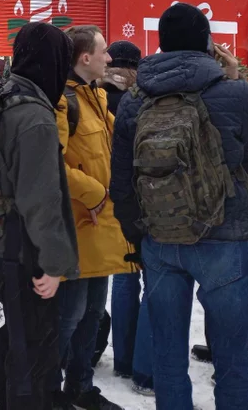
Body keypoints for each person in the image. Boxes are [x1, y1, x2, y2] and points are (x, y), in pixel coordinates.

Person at [111, 3, 248, 410]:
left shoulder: (135, 100)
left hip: (160, 237)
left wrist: (137, 232)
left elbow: (121, 180)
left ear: (161, 44)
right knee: (233, 359)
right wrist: (237, 83)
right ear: (207, 42)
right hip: (224, 235)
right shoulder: (234, 92)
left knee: (168, 357)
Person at [0, 22, 80, 410]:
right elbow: (40, 200)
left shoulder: (3, 96)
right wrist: (53, 265)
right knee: (30, 347)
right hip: (24, 251)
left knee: (17, 338)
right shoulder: (34, 116)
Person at [53, 26, 134, 410]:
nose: (109, 58)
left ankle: (80, 388)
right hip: (74, 227)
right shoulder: (61, 100)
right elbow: (50, 163)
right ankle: (48, 391)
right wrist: (96, 192)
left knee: (90, 318)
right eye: (104, 52)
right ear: (85, 58)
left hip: (100, 228)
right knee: (67, 319)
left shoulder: (98, 97)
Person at [96, 41, 153, 397]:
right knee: (149, 278)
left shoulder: (96, 95)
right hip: (142, 198)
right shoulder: (141, 99)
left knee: (122, 277)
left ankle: (121, 358)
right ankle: (139, 361)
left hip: (104, 198)